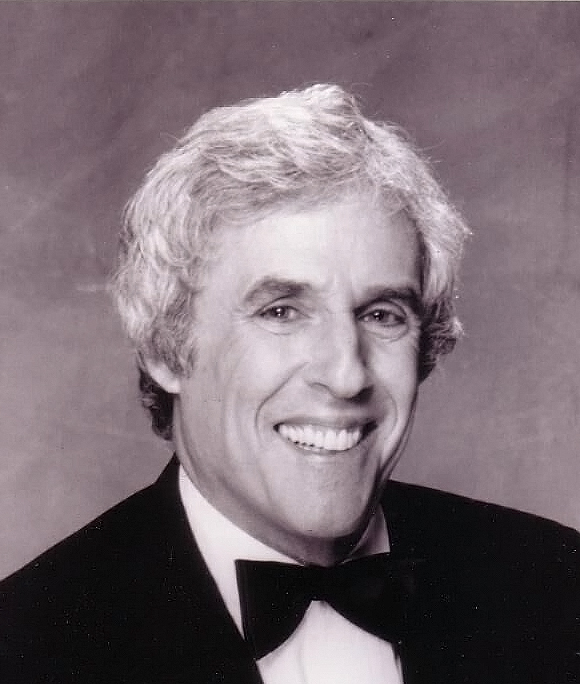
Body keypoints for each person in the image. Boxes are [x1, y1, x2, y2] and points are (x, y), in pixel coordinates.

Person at [0, 84, 578, 684]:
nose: (346, 374)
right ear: (165, 347)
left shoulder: (556, 587)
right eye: (281, 312)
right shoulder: (26, 648)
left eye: (382, 315)